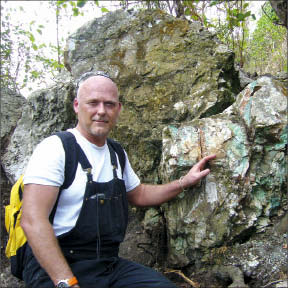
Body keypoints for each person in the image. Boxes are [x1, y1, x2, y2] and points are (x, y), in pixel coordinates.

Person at [21, 71, 216, 288]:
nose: (101, 111)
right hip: (55, 268)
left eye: (109, 104)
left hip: (107, 265)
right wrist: (66, 282)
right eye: (93, 103)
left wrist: (184, 182)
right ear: (77, 105)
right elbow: (33, 220)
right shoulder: (56, 148)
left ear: (119, 108)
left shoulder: (116, 153)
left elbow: (139, 194)